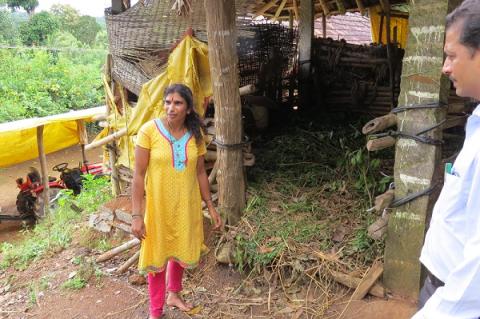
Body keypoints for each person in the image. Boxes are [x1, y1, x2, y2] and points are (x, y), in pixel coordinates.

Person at [131, 83, 222, 319]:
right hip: (159, 208)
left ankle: (174, 294)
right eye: (168, 102)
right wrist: (136, 215)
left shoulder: (195, 135)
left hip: (186, 206)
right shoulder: (148, 131)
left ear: (188, 108)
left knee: (180, 249)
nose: (171, 107)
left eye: (178, 103)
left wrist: (210, 206)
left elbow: (201, 172)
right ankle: (155, 311)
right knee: (157, 255)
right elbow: (138, 175)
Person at [412, 0, 480, 318]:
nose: (445, 67)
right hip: (442, 286)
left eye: (452, 55)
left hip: (453, 298)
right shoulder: (477, 120)